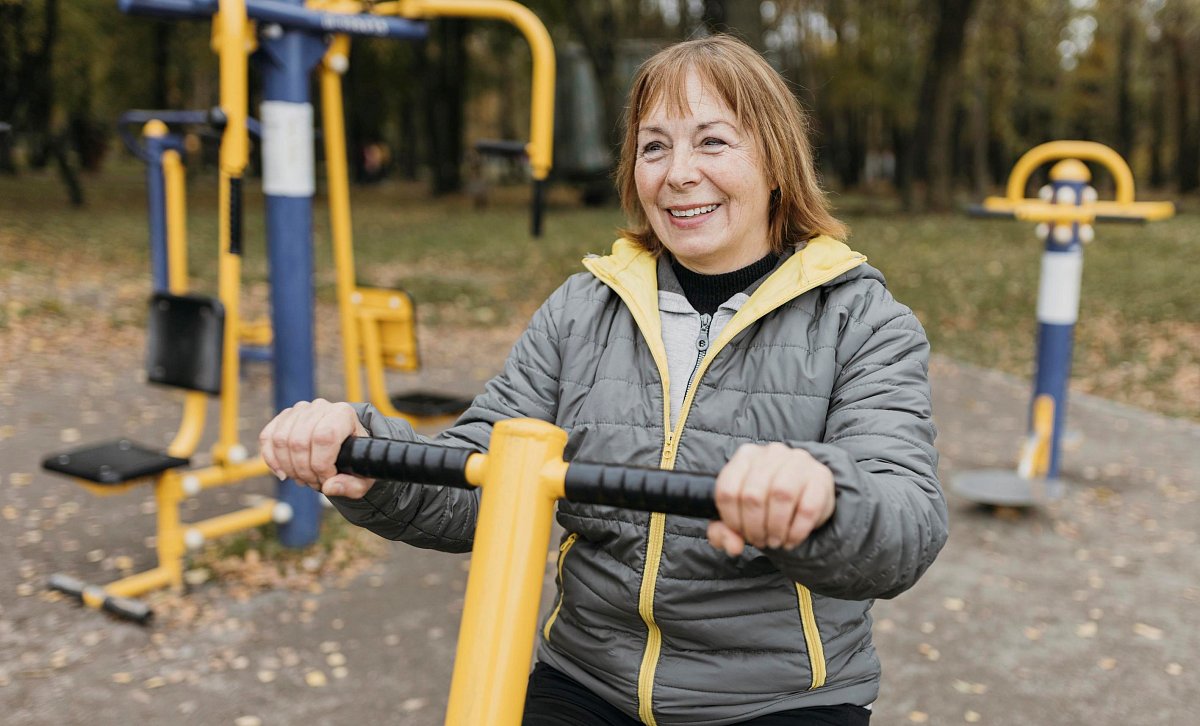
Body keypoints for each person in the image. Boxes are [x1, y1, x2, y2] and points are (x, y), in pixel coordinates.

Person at [260, 35, 947, 726]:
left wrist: (822, 498)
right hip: (589, 679)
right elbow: (480, 479)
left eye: (711, 142)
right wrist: (363, 451)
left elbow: (904, 522)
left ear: (775, 161)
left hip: (778, 700)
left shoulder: (860, 320)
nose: (678, 173)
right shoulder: (584, 310)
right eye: (655, 147)